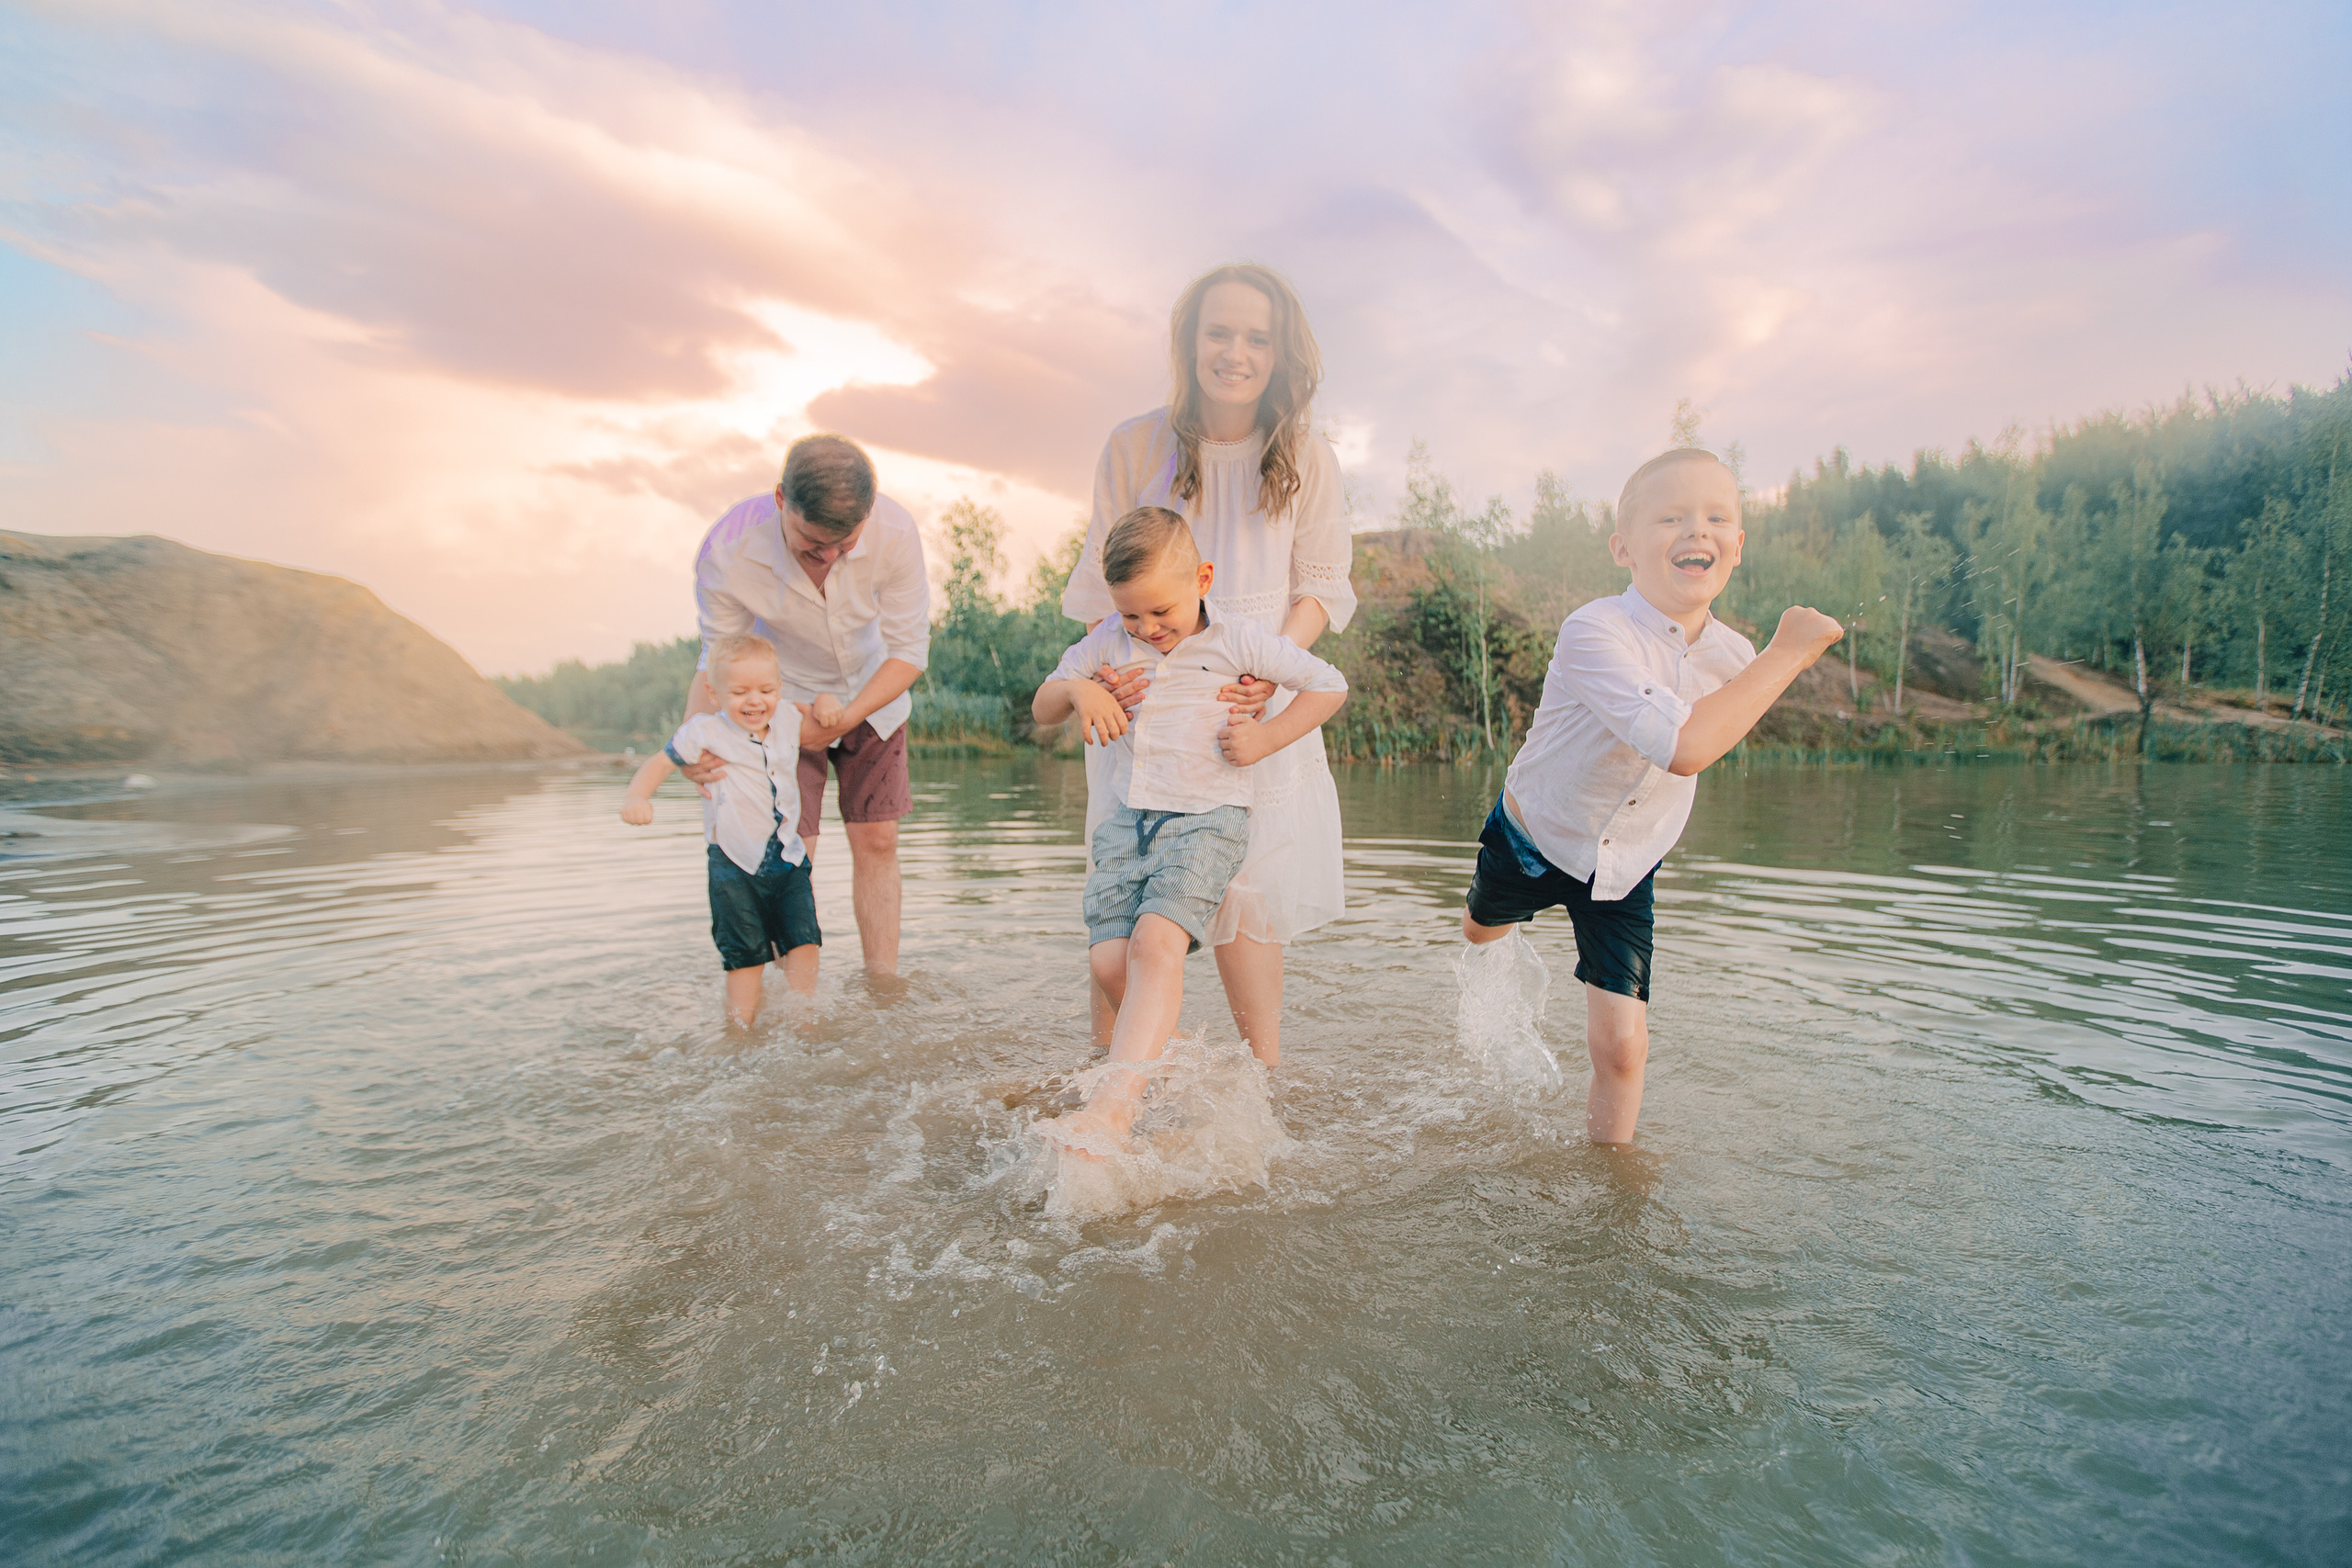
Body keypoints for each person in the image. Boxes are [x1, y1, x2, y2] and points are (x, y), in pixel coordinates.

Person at [1460, 446, 1845, 1143]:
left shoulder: (1734, 656)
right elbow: (1686, 745)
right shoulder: (1594, 631)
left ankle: (1612, 1174)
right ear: (1623, 547)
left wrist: (1769, 661)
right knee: (1479, 929)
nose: (1696, 530)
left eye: (1715, 517)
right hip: (1533, 836)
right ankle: (1489, 919)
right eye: (1671, 516)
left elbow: (1721, 730)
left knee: (1622, 1046)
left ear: (1737, 547)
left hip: (1626, 865)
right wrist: (1789, 653)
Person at [1062, 263, 1356, 1067]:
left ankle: (1262, 1077)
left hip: (1248, 701)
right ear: (1190, 341)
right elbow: (1101, 585)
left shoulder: (1305, 455)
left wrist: (1274, 670)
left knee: (1249, 892)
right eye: (1219, 332)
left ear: (1281, 352)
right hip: (1144, 698)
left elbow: (1325, 584)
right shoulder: (1134, 444)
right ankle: (1125, 1066)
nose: (1236, 352)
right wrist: (1105, 673)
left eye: (1257, 337)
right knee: (1122, 898)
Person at [1035, 507, 1348, 1145]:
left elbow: (1329, 685)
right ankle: (1192, 1073)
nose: (1147, 629)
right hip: (1129, 822)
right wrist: (1078, 692)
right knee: (1109, 963)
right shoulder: (1109, 644)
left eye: (1160, 613)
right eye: (1130, 615)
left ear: (1202, 578)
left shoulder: (1240, 640)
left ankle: (1111, 1111)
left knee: (1156, 945)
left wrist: (1265, 739)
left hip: (1208, 820)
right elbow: (1043, 705)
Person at [677, 434, 930, 976]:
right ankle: (786, 1003)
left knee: (879, 838)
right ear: (779, 500)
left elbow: (910, 652)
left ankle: (882, 984)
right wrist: (696, 740)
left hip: (874, 690)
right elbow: (717, 657)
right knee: (793, 853)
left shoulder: (895, 530)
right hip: (777, 707)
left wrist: (843, 717)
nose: (830, 558)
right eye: (813, 544)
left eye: (845, 544)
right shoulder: (727, 550)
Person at [621, 634, 819, 1024]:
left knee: (805, 939)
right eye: (740, 691)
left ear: (779, 688)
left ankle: (804, 1021)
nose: (754, 700)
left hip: (789, 858)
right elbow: (660, 763)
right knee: (745, 954)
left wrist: (827, 702)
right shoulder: (704, 731)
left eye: (765, 689)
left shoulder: (787, 718)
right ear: (714, 693)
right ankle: (739, 1029)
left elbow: (818, 711)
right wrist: (637, 797)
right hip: (733, 864)